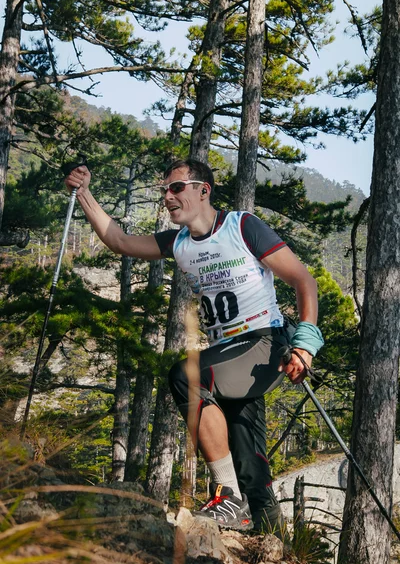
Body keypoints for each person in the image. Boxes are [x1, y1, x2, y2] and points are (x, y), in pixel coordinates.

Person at [65, 158, 323, 537]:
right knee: (248, 454)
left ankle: (228, 497)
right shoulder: (178, 242)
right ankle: (272, 537)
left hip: (263, 345)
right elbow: (119, 241)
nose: (167, 197)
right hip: (227, 355)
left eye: (176, 188)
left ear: (204, 190)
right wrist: (83, 193)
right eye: (164, 190)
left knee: (187, 375)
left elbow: (304, 280)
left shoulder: (242, 227)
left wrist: (306, 343)